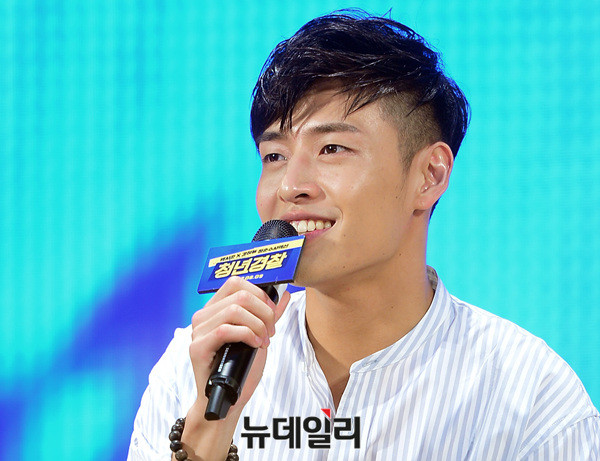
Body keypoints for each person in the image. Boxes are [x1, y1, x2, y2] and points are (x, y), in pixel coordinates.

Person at [128, 10, 600, 460]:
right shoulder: (192, 368)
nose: (290, 186)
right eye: (274, 156)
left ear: (430, 175)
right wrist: (209, 429)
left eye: (332, 148)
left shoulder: (531, 399)